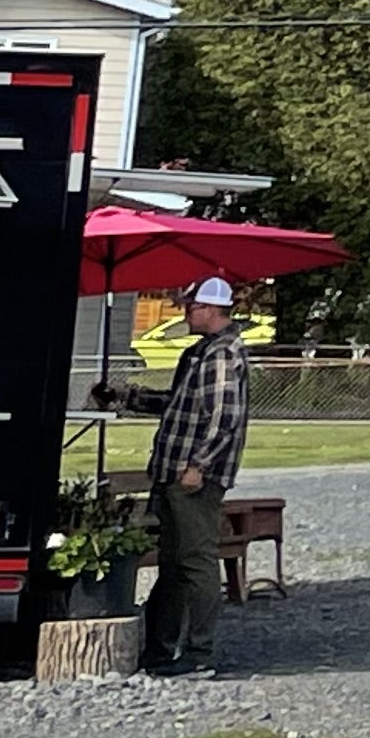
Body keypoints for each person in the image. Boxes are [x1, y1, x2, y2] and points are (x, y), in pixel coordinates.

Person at [98, 276, 249, 677]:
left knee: (195, 562)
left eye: (192, 306)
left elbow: (225, 417)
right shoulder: (199, 353)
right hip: (172, 471)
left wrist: (199, 465)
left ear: (212, 309)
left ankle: (199, 652)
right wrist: (125, 396)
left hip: (192, 476)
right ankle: (162, 649)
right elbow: (177, 404)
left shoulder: (223, 355)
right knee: (173, 562)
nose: (186, 312)